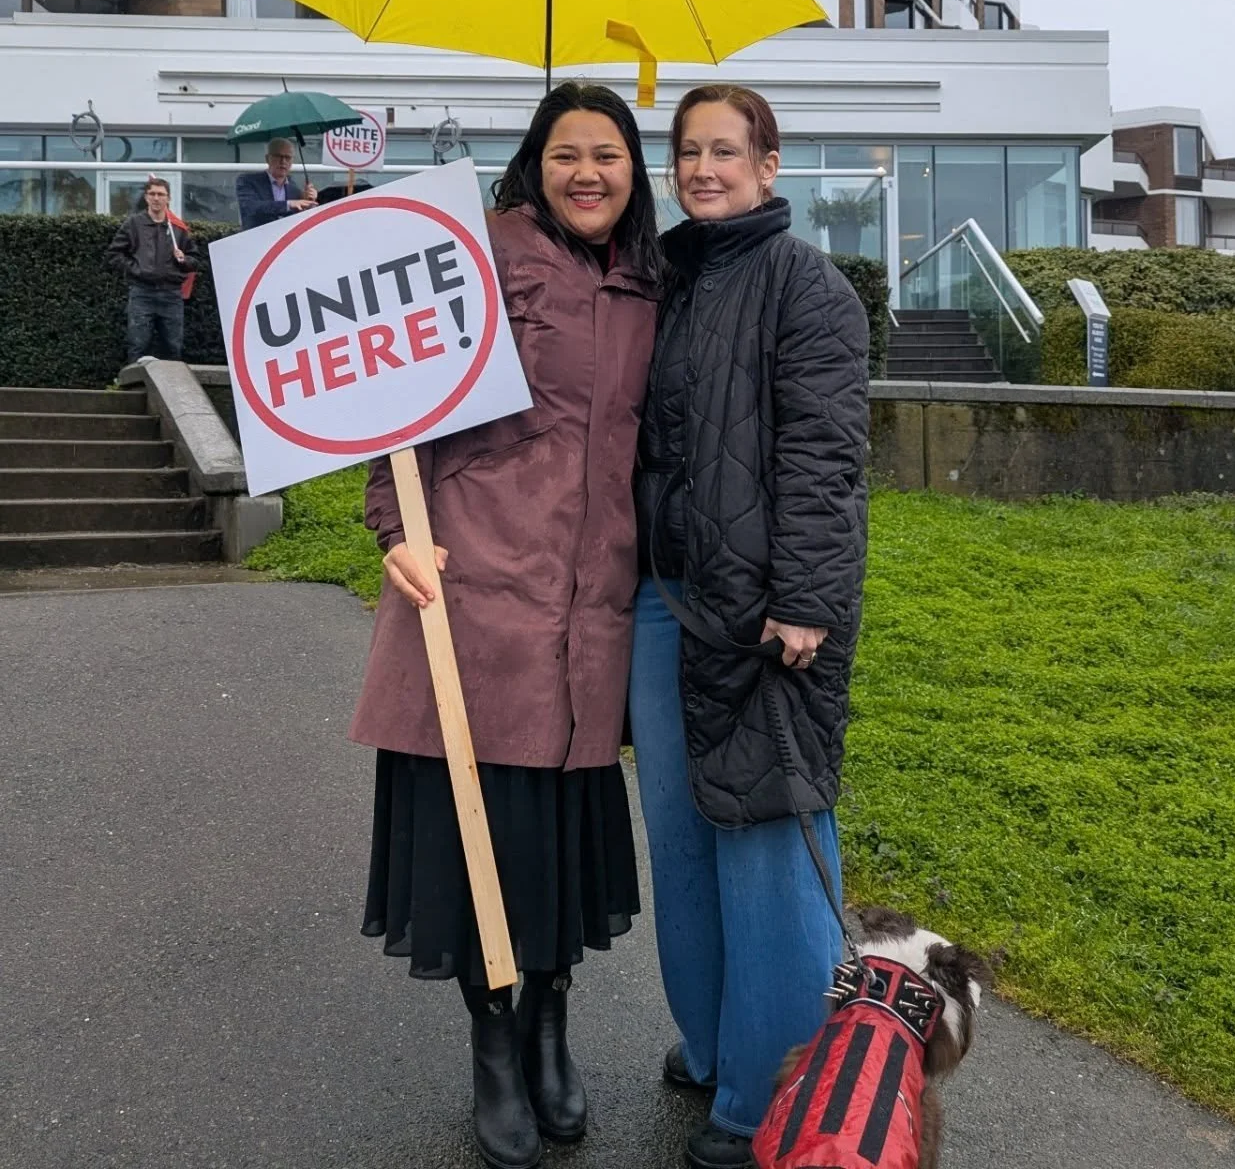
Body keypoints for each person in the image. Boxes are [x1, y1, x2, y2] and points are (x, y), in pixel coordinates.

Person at [349, 83, 664, 1169]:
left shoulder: (650, 284)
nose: (589, 173)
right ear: (536, 162)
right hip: (477, 589)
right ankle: (493, 1042)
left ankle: (549, 1022)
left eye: (610, 156)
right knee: (481, 837)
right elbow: (391, 403)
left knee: (562, 844)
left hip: (593, 610)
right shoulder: (477, 254)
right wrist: (395, 526)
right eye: (568, 153)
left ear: (636, 172)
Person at [628, 85, 871, 1169]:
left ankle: (770, 1095)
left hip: (769, 619)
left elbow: (825, 458)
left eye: (725, 150)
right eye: (687, 151)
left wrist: (808, 600)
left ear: (770, 165)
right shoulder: (669, 282)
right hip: (665, 601)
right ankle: (716, 1041)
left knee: (767, 841)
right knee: (683, 839)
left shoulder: (805, 287)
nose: (703, 168)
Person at [103, 177, 201, 365]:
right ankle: (135, 391)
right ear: (146, 197)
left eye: (161, 194)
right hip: (142, 293)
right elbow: (114, 254)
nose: (157, 198)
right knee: (137, 345)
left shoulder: (178, 229)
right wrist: (136, 270)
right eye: (152, 194)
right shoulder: (134, 224)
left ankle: (173, 391)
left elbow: (194, 261)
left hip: (171, 294)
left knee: (173, 348)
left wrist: (184, 260)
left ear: (168, 199)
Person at [235, 138, 317, 230]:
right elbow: (250, 207)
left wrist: (308, 200)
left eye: (287, 157)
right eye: (278, 156)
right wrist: (288, 204)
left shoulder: (294, 189)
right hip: (256, 239)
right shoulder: (247, 181)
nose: (283, 161)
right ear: (267, 158)